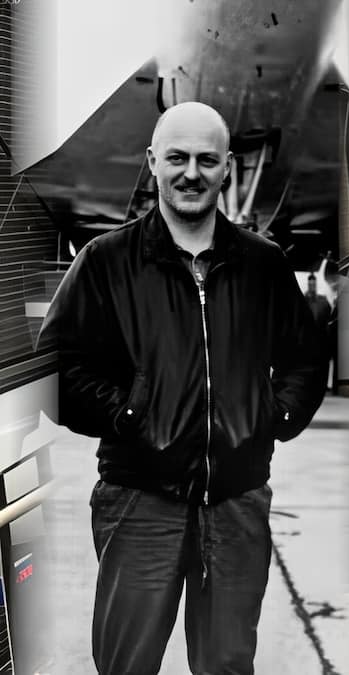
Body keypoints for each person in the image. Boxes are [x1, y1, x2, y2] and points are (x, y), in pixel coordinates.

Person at [39, 102, 327, 674]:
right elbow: (57, 367)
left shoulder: (263, 265)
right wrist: (127, 415)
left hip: (238, 503)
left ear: (227, 169)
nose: (191, 173)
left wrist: (270, 417)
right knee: (128, 663)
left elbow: (305, 358)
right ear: (153, 163)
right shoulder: (105, 262)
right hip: (139, 502)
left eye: (205, 160)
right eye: (176, 158)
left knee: (226, 664)